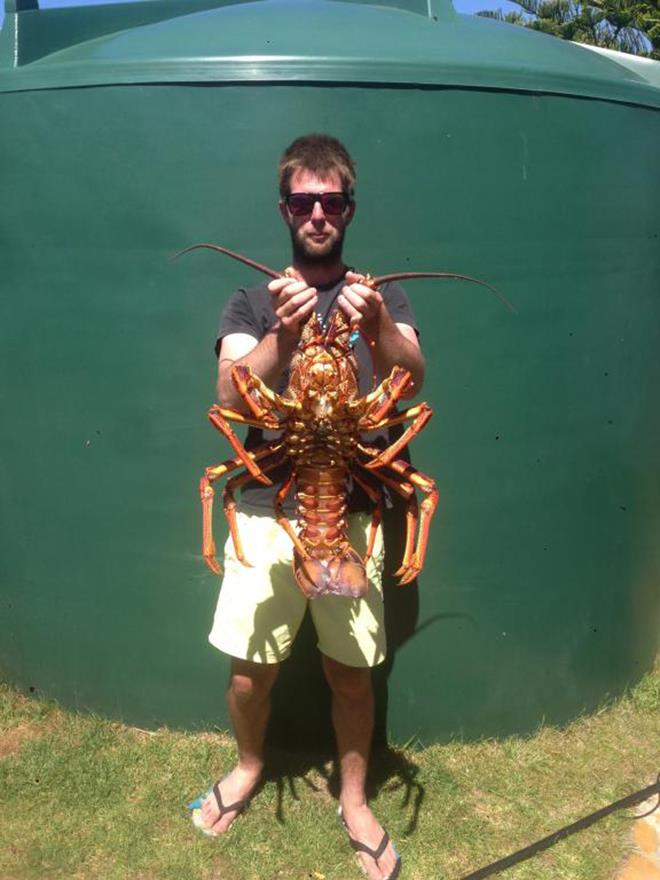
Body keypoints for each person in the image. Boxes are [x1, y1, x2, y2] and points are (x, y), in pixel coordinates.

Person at [193, 133, 425, 880]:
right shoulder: (254, 299)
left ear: (348, 207)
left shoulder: (381, 295)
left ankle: (354, 800)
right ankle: (248, 766)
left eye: (331, 200)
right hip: (264, 508)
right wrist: (284, 335)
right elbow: (230, 395)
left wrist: (379, 329)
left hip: (349, 517)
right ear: (286, 207)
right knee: (247, 674)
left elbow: (411, 382)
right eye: (303, 201)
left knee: (351, 676)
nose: (317, 213)